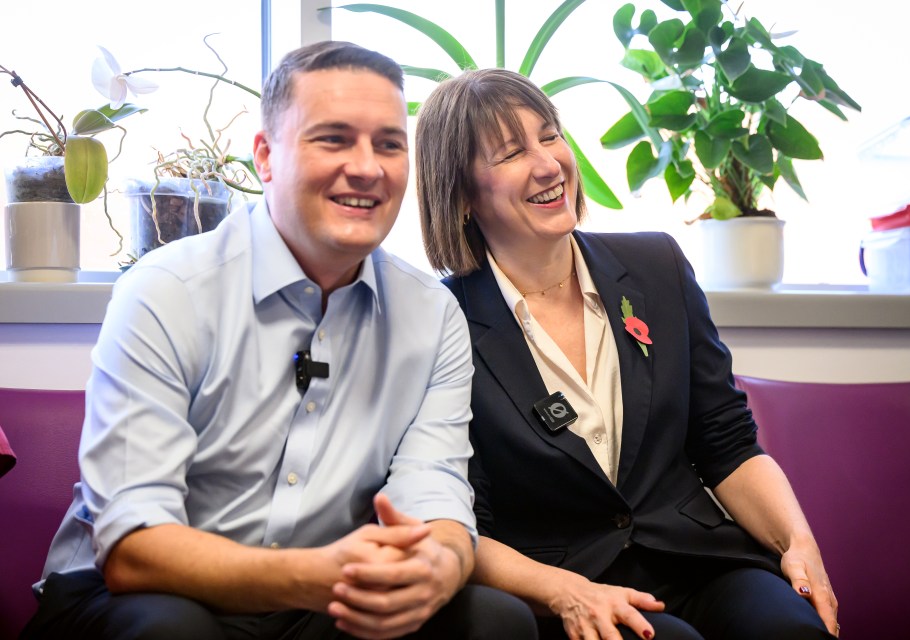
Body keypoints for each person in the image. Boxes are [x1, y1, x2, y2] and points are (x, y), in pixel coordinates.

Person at [21, 43, 535, 640]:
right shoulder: (167, 292)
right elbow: (134, 550)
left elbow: (436, 492)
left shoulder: (432, 315)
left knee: (492, 621)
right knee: (172, 630)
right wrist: (314, 575)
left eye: (389, 144)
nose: (367, 167)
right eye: (334, 139)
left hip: (317, 597)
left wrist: (438, 568)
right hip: (129, 597)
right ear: (266, 156)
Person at [415, 68, 839, 640]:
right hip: (567, 585)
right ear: (462, 193)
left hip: (700, 559)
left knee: (791, 631)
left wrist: (798, 543)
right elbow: (462, 525)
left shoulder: (656, 267)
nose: (548, 164)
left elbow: (728, 443)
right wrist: (563, 593)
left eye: (550, 135)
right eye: (512, 152)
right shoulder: (442, 324)